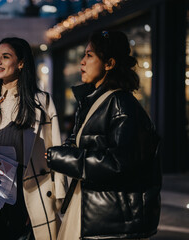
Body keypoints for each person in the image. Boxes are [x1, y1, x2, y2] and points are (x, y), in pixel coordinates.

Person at [46, 30, 161, 240]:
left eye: (89, 55)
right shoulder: (93, 102)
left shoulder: (120, 104)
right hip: (90, 210)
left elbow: (119, 164)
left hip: (109, 222)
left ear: (109, 63)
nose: (82, 62)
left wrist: (61, 157)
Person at [0, 37, 66, 240]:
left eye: (5, 57)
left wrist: (58, 197)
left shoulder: (41, 102)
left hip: (25, 188)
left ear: (21, 63)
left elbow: (54, 150)